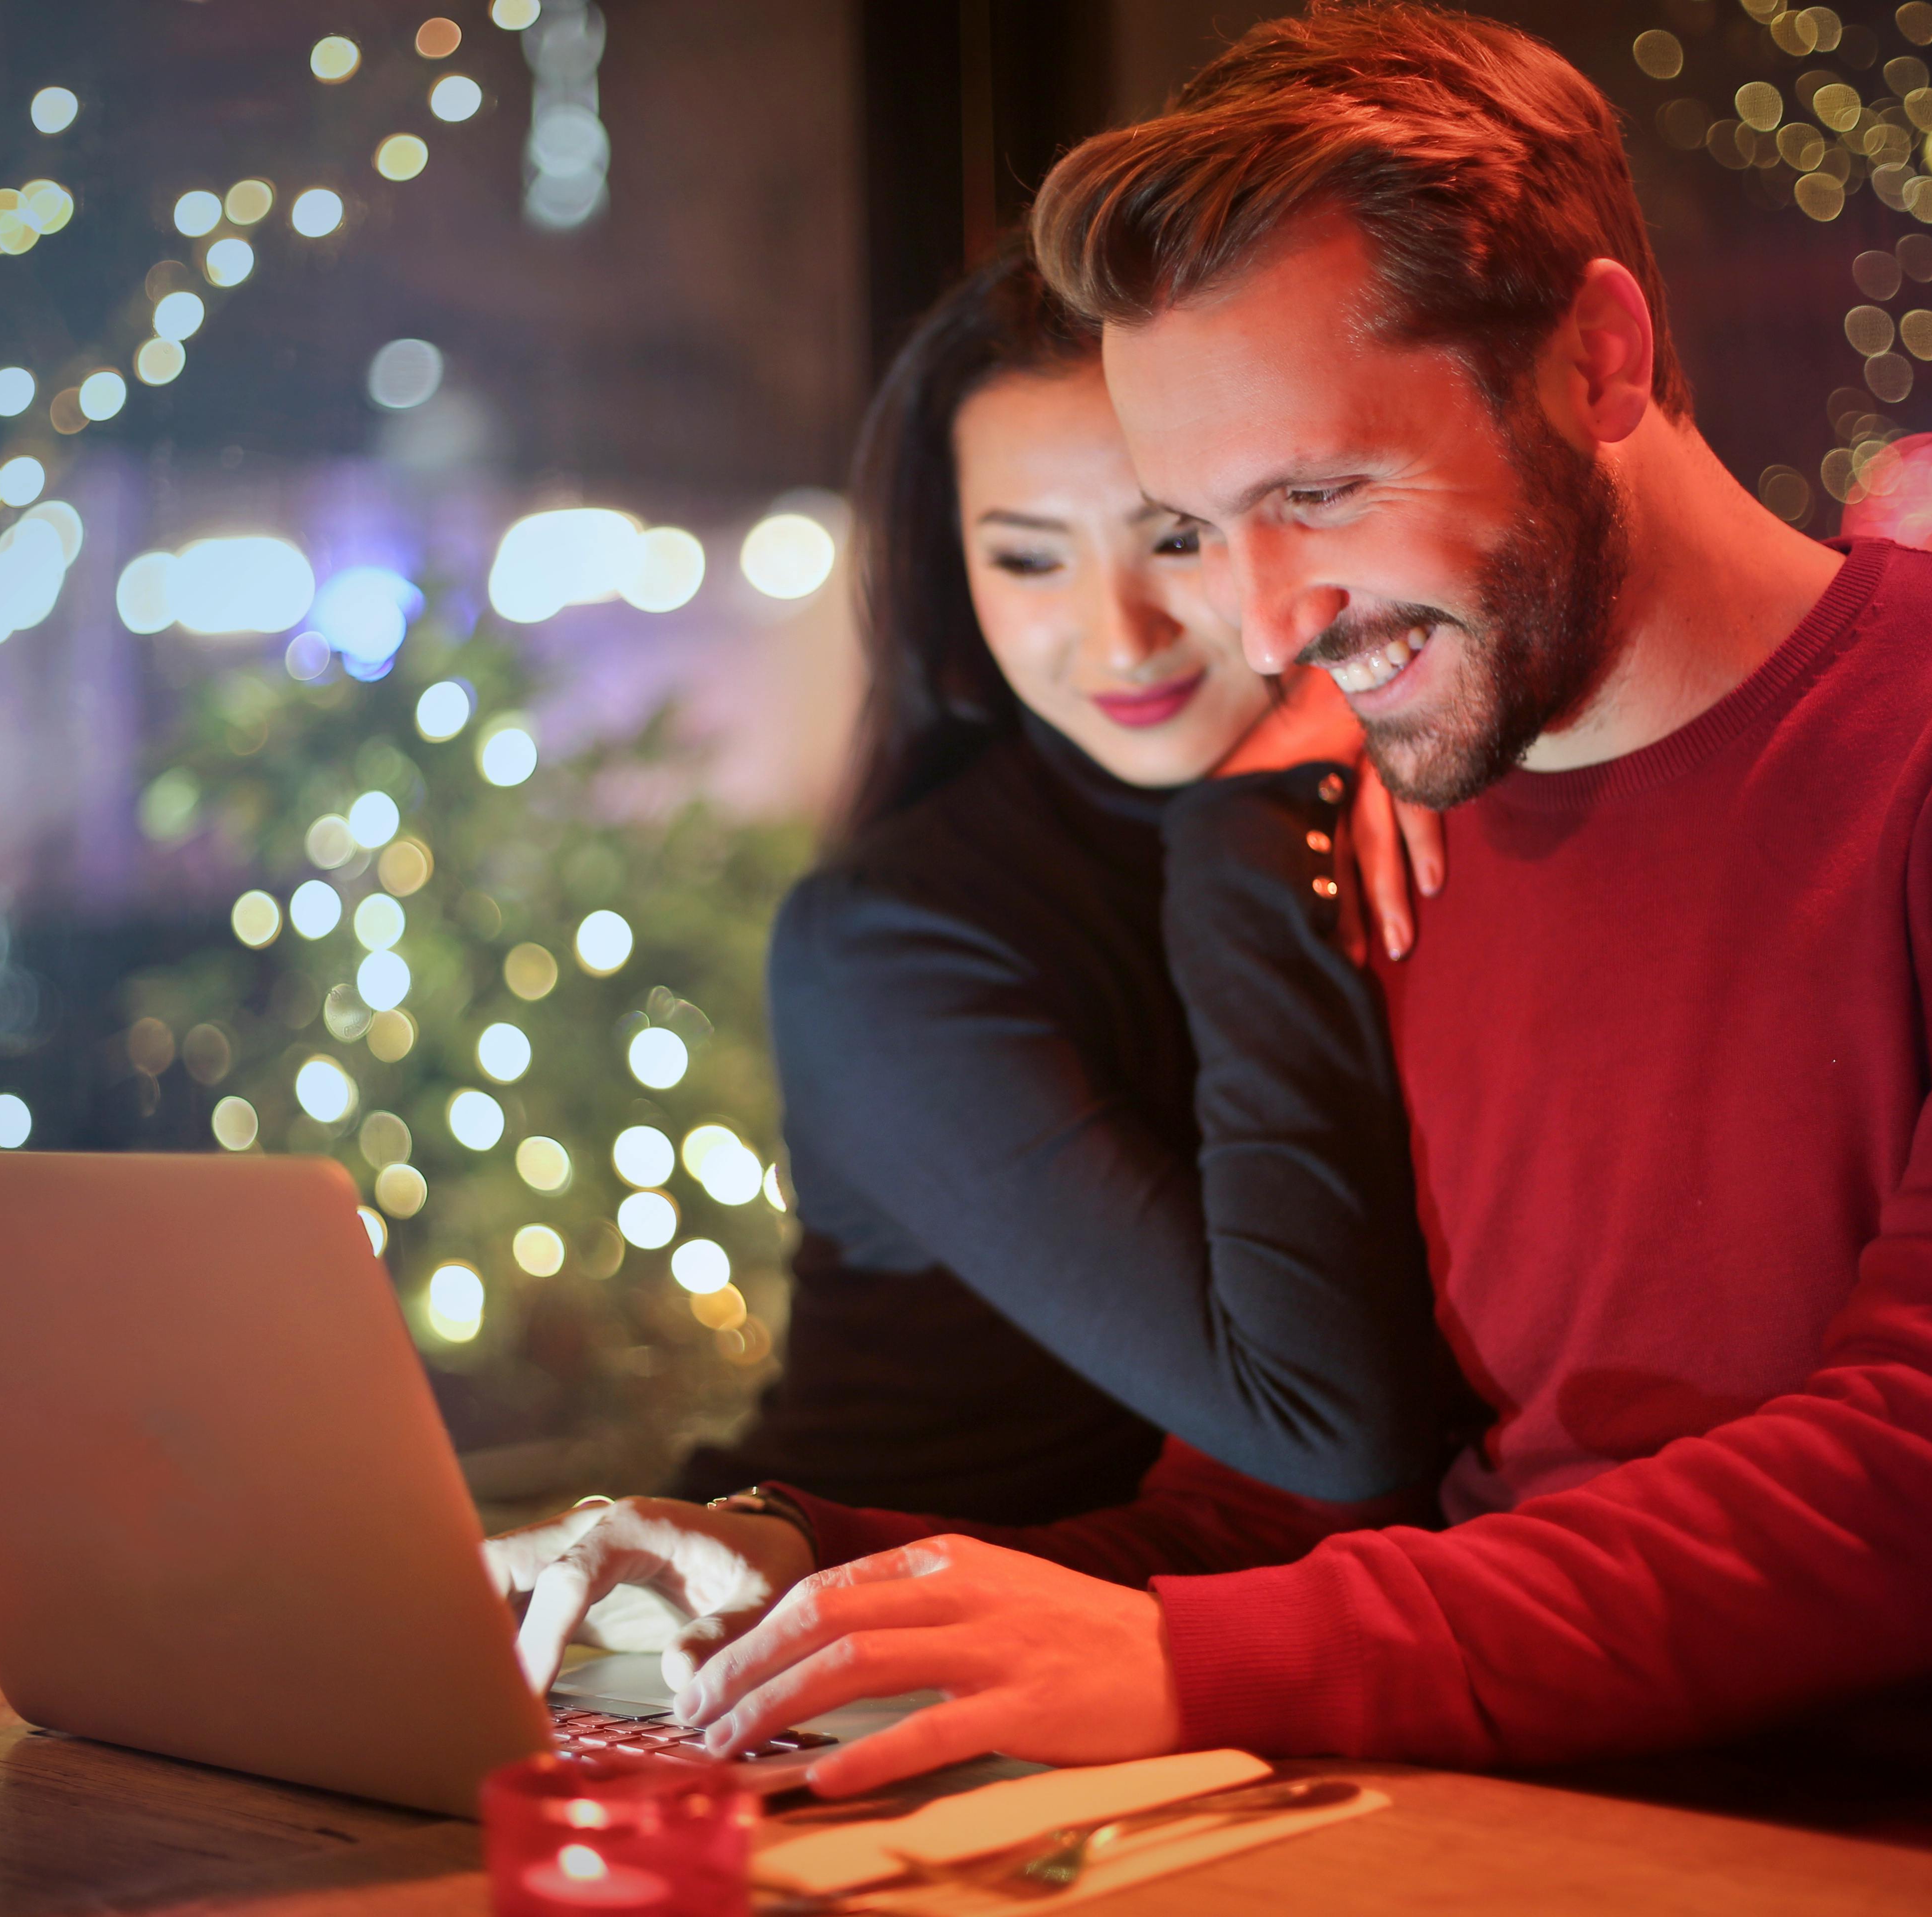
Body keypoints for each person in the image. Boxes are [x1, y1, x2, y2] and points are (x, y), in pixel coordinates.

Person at [489, 4, 1932, 1897]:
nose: (1265, 623)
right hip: (1495, 1822)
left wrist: (1190, 1661)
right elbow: (1309, 1509)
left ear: (1599, 360)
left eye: (1320, 494)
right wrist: (828, 1575)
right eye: (1205, 526)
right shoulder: (1394, 819)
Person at [617, 244, 1455, 1628]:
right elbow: (1320, 1427)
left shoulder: (1397, 800)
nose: (1117, 637)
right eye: (1027, 558)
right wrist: (1260, 811)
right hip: (824, 1642)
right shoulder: (894, 942)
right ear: (956, 579)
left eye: (1170, 537)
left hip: (1155, 1657)